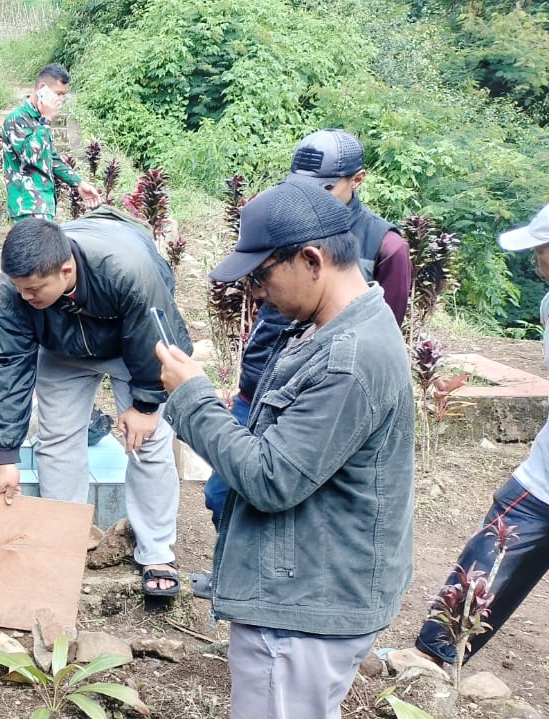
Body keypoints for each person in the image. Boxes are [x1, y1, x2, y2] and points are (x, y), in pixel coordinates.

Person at [155, 180, 414, 717]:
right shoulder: (338, 327)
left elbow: (272, 478)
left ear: (311, 260)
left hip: (301, 615)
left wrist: (193, 399)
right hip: (310, 592)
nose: (253, 292)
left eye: (261, 275)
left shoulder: (348, 358)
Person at [192, 128, 415, 596]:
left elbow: (378, 339)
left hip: (318, 398)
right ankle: (236, 575)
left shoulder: (384, 247)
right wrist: (246, 380)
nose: (309, 196)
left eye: (325, 186)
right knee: (223, 494)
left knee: (281, 495)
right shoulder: (279, 226)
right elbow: (266, 323)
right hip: (260, 390)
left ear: (357, 179)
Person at [0, 210, 191, 600]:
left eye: (34, 289)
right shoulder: (14, 295)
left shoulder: (127, 270)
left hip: (135, 346)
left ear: (65, 270)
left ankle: (157, 552)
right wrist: (7, 457)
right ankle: (63, 546)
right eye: (19, 288)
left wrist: (146, 407)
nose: (26, 297)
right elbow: (9, 368)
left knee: (148, 444)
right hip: (63, 349)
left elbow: (162, 336)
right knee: (58, 438)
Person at [415, 203, 549, 668]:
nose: (535, 260)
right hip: (542, 480)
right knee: (496, 550)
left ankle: (436, 655)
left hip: (541, 486)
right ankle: (437, 659)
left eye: (542, 249)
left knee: (497, 546)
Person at [0, 63, 100, 223]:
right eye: (58, 93)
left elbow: (51, 160)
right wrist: (46, 121)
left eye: (63, 95)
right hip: (27, 207)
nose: (60, 100)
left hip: (44, 206)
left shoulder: (40, 120)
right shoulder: (17, 119)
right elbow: (29, 156)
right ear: (42, 89)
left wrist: (79, 184)